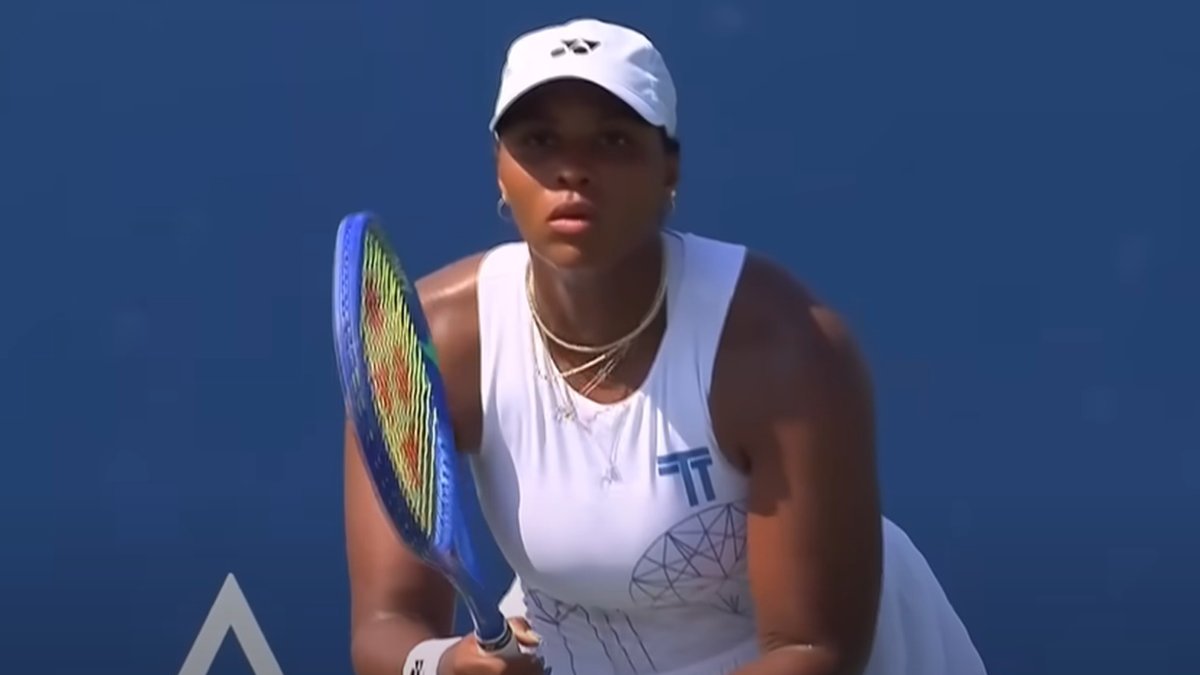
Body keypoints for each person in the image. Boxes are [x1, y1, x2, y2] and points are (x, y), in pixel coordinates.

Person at [344, 17, 988, 675]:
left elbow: (811, 651)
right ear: (501, 173)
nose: (572, 170)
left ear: (668, 170)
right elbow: (386, 629)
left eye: (613, 141)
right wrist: (441, 664)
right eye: (539, 141)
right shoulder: (432, 341)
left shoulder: (782, 346)